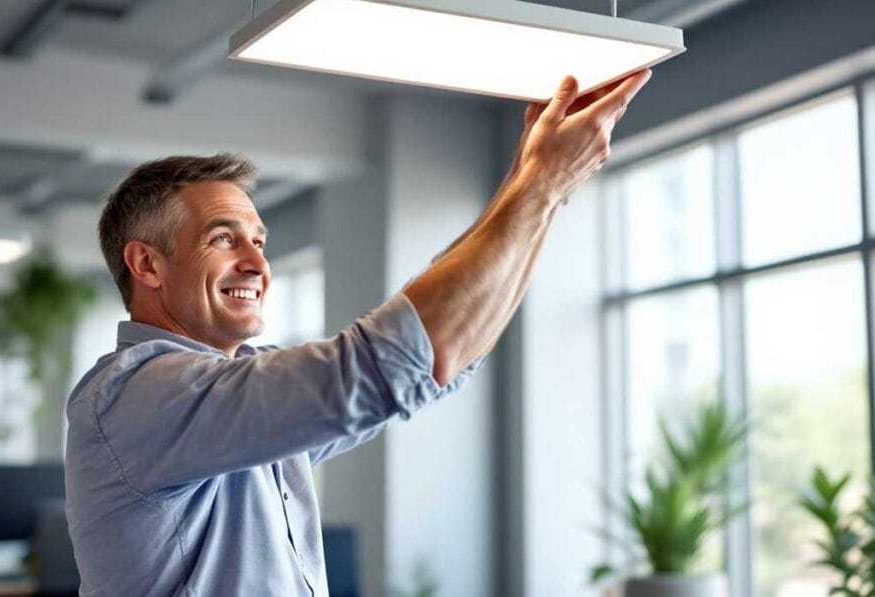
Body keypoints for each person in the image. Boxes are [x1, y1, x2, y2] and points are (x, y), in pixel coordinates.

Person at [65, 70, 652, 596]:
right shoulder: (140, 395)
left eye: (259, 241)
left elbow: (448, 353)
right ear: (147, 265)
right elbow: (390, 365)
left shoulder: (228, 398)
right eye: (223, 238)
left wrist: (537, 183)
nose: (256, 264)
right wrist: (542, 183)